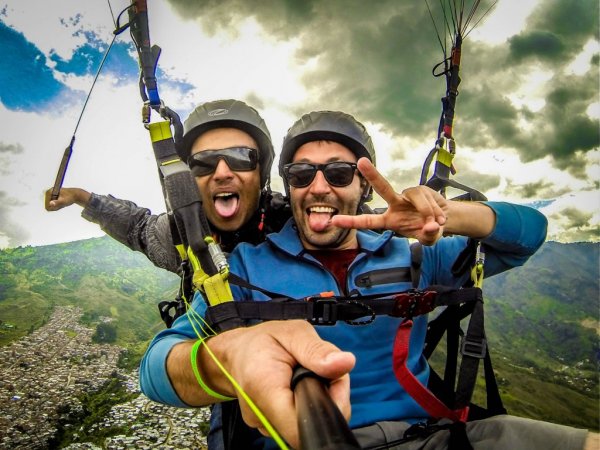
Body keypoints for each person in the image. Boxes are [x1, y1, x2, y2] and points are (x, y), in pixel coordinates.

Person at [139, 111, 596, 449]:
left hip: (431, 437)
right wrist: (228, 359)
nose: (319, 187)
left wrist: (446, 213)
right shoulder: (244, 270)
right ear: (290, 187)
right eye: (301, 175)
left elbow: (529, 234)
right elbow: (155, 368)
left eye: (339, 173)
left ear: (364, 188)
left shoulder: (418, 254)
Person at [45, 99, 290, 274]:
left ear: (262, 171)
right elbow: (136, 226)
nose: (222, 173)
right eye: (203, 162)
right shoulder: (180, 234)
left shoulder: (291, 225)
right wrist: (81, 197)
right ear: (188, 176)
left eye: (241, 157)